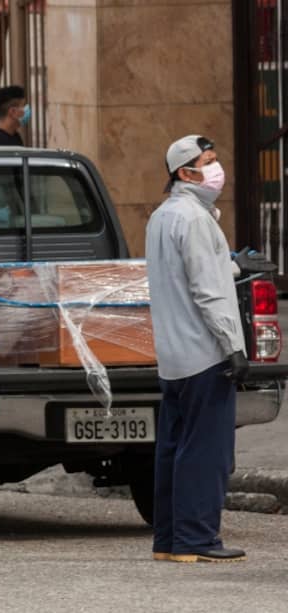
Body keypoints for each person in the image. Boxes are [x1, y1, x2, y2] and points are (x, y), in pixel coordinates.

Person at [145, 135, 248, 563]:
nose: (216, 167)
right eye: (208, 161)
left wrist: (237, 264)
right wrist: (233, 346)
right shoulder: (197, 220)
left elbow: (186, 273)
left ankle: (169, 540)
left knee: (173, 448)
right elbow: (208, 291)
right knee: (207, 451)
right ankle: (198, 539)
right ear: (186, 173)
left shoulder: (163, 217)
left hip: (173, 357)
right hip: (205, 353)